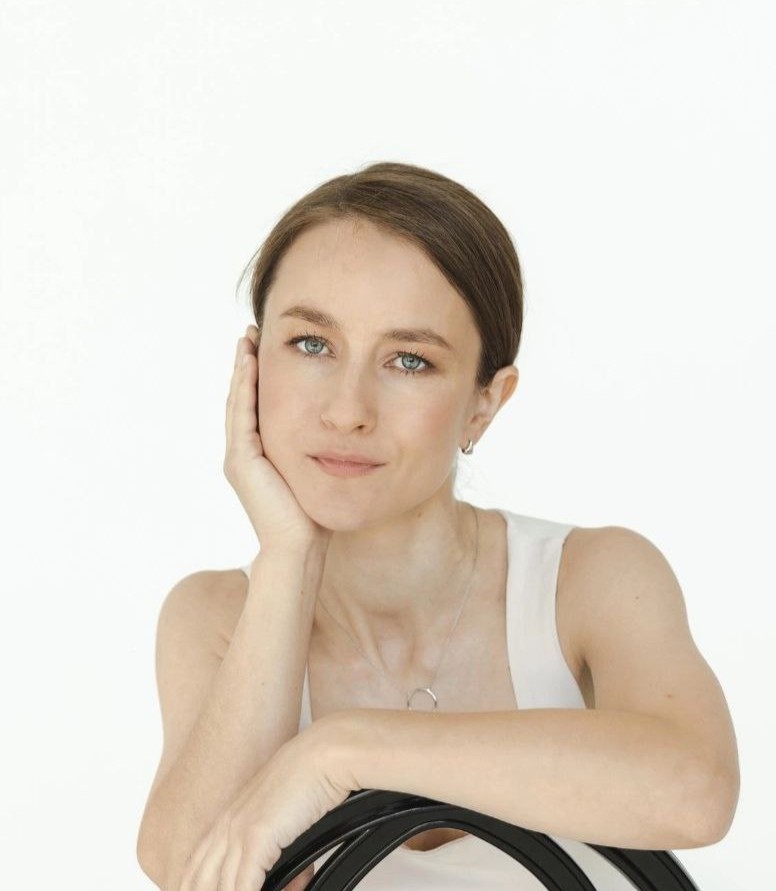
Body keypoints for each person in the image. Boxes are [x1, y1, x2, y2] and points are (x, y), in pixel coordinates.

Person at [136, 161, 740, 891]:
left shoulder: (588, 580)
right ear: (253, 364)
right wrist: (289, 556)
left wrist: (338, 751)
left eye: (409, 360)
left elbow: (694, 789)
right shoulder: (215, 618)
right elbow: (190, 871)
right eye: (312, 345)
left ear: (485, 402)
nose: (347, 410)